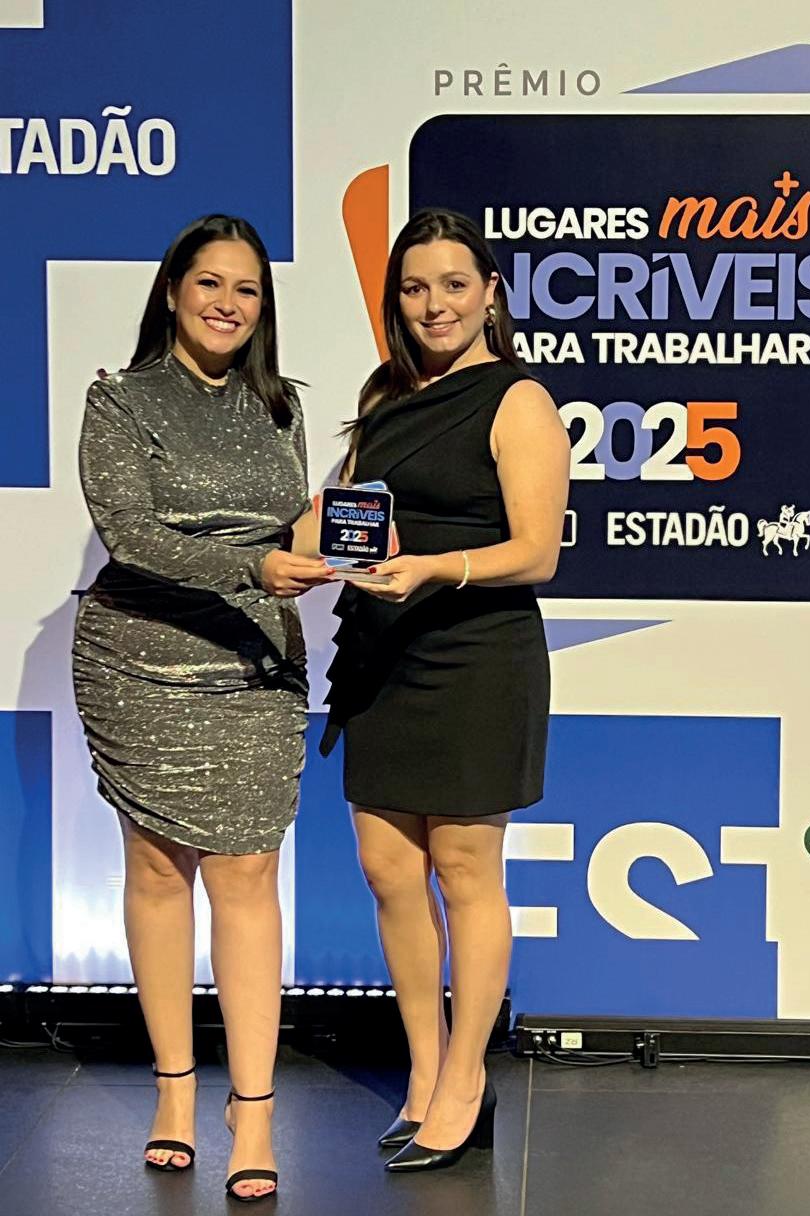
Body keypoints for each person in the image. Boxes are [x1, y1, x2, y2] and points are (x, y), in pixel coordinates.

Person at [72, 214, 331, 1202]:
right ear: (174, 289)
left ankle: (251, 1109)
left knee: (249, 874)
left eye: (247, 289)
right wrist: (251, 568)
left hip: (253, 663)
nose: (228, 303)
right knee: (155, 866)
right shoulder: (119, 399)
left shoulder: (282, 406)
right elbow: (130, 534)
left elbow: (288, 524)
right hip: (140, 658)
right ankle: (176, 1093)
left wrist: (333, 535)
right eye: (211, 282)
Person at [320, 208, 569, 1172]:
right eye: (416, 287)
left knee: (467, 871)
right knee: (389, 871)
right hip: (382, 654)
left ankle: (468, 1077)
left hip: (475, 657)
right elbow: (342, 513)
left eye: (455, 285)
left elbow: (536, 551)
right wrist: (286, 556)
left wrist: (433, 568)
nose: (435, 305)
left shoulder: (518, 400)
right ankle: (424, 1072)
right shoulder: (384, 396)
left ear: (491, 293)